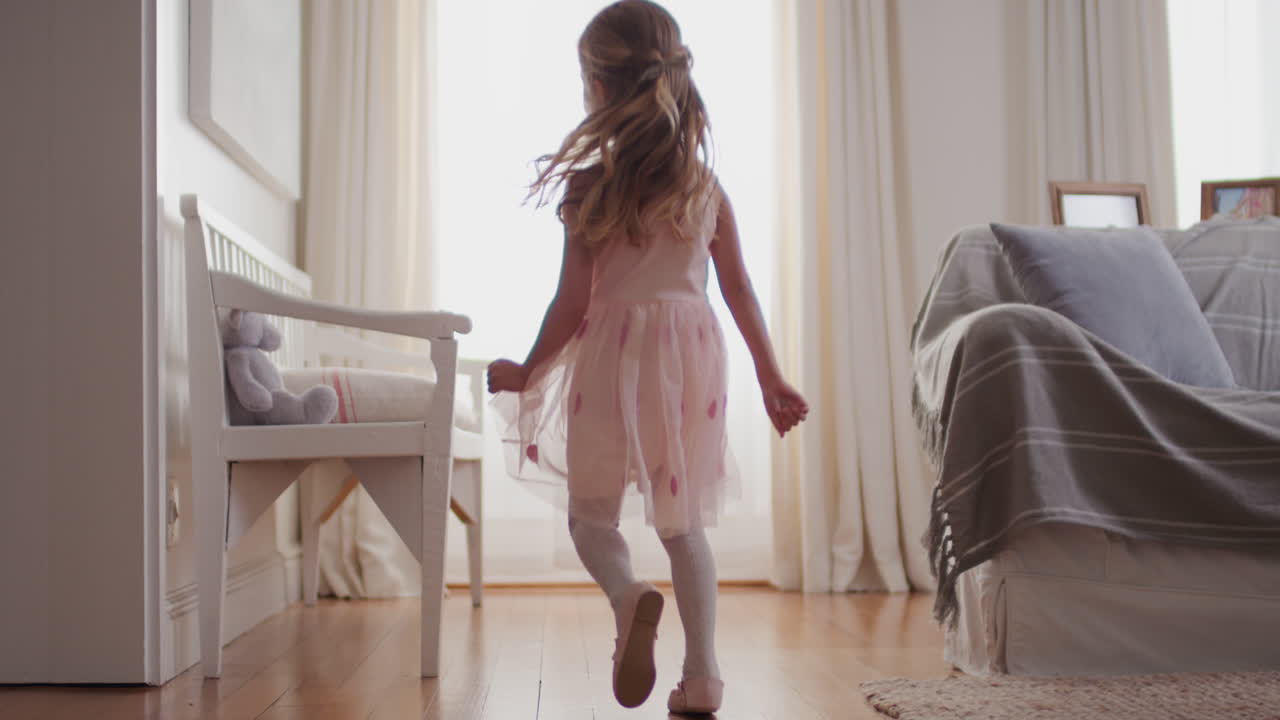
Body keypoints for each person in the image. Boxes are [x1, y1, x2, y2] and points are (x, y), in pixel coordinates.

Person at [487, 1, 807, 712]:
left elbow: (571, 306)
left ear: (598, 90)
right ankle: (703, 676)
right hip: (690, 367)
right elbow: (740, 291)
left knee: (589, 519)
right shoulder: (704, 187)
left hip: (609, 363)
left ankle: (629, 596)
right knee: (683, 524)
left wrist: (529, 369)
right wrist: (771, 375)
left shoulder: (589, 189)